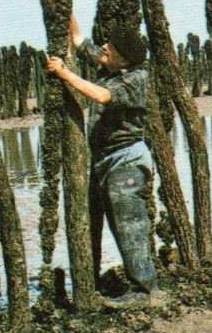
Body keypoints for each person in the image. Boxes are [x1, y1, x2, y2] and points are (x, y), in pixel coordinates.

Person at [47, 15, 156, 306]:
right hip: (105, 161)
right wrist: (65, 8)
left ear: (124, 58)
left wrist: (65, 74)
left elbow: (102, 95)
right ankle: (100, 282)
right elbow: (80, 41)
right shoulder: (111, 64)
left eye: (110, 48)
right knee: (107, 221)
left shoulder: (136, 77)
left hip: (127, 161)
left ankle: (143, 291)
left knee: (129, 224)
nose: (104, 48)